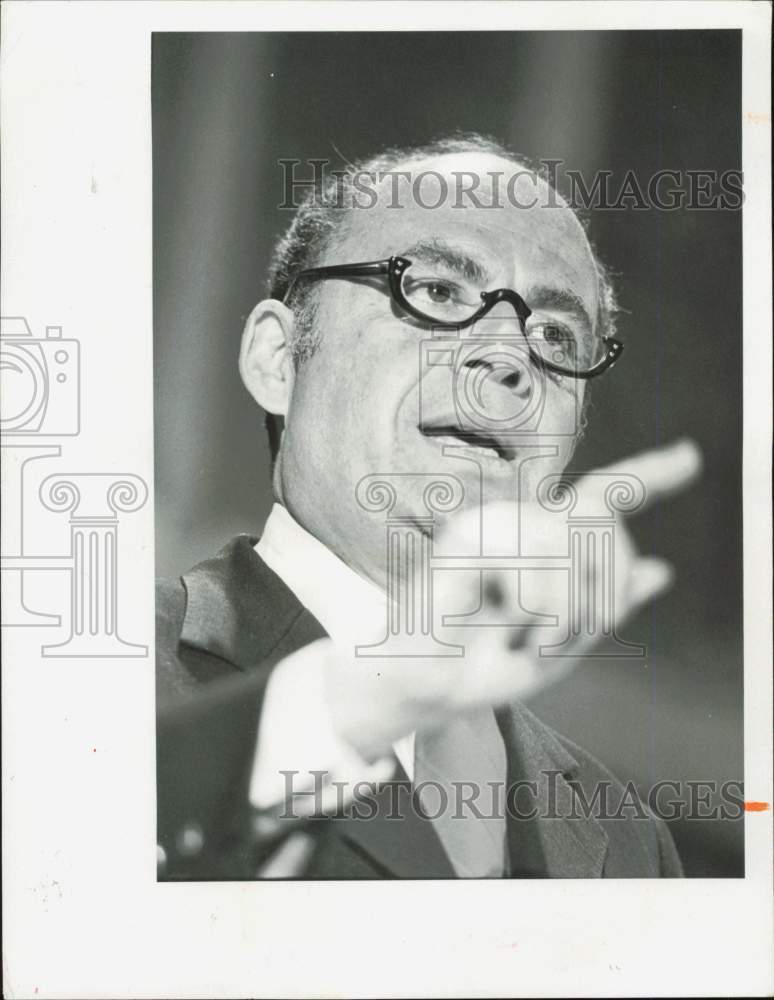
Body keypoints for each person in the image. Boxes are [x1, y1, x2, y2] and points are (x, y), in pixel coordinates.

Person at [156, 134, 701, 880]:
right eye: (439, 291)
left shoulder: (633, 844)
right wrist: (356, 706)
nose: (509, 360)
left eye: (555, 334)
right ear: (279, 361)